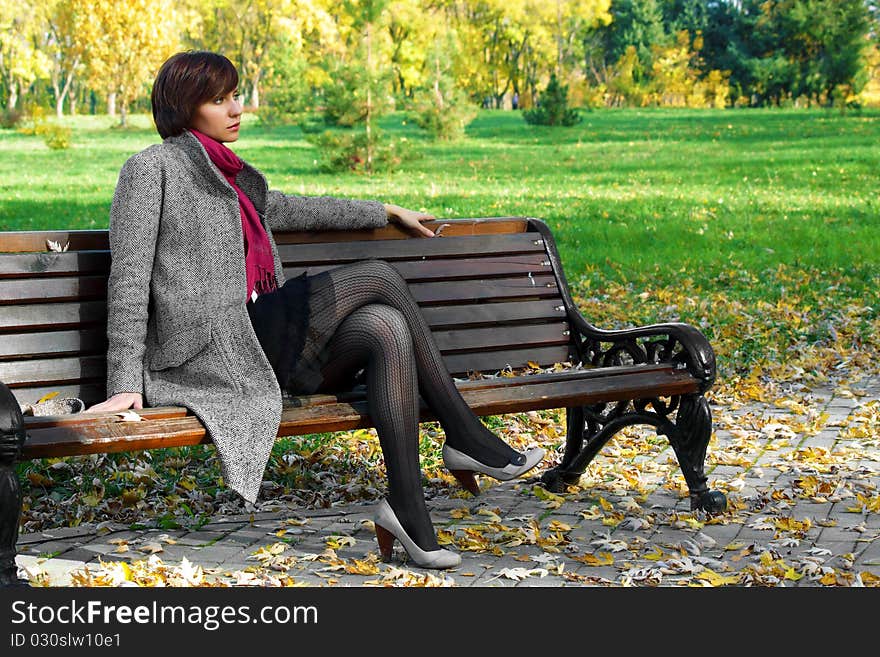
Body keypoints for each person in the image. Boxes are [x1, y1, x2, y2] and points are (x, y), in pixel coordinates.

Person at [85, 51, 543, 570]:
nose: (236, 108)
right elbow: (128, 278)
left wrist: (384, 210)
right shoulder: (151, 169)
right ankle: (463, 434)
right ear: (183, 107)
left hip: (262, 344)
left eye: (235, 95)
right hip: (214, 353)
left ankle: (408, 511)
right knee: (378, 276)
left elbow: (294, 207)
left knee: (385, 327)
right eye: (219, 100)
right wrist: (125, 382)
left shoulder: (232, 175)